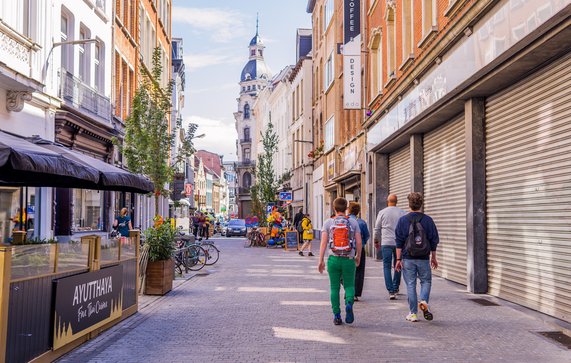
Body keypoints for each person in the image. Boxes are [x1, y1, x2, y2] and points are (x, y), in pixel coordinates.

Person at [395, 192, 439, 322]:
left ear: (409, 204)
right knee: (426, 281)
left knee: (410, 284)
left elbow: (399, 241)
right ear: (421, 204)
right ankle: (424, 300)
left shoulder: (403, 220)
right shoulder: (428, 220)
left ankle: (413, 313)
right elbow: (433, 240)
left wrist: (398, 259)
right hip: (424, 257)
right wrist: (433, 257)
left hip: (408, 257)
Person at [318, 197, 362, 325]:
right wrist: (358, 255)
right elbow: (359, 241)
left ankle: (337, 315)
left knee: (334, 288)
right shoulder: (353, 223)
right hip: (348, 259)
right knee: (349, 285)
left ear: (334, 208)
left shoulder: (328, 223)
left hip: (333, 259)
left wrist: (320, 260)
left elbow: (323, 243)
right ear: (346, 208)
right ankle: (349, 303)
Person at [374, 194, 406, 300]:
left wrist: (376, 241)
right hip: (399, 243)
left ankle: (391, 291)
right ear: (397, 201)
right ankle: (396, 287)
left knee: (386, 266)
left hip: (386, 243)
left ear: (387, 201)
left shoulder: (382, 212)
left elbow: (377, 228)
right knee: (398, 264)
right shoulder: (402, 212)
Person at [348, 202, 370, 302]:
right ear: (358, 211)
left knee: (347, 270)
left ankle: (348, 291)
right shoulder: (361, 222)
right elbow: (366, 236)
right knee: (359, 271)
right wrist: (362, 244)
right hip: (358, 248)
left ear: (348, 209)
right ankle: (355, 293)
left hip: (346, 249)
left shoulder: (344, 220)